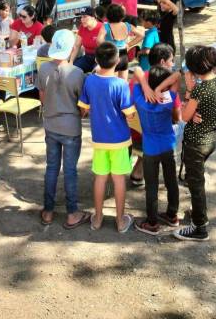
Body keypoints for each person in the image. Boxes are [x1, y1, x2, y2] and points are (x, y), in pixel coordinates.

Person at [78, 42, 137, 233]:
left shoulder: (90, 81)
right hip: (119, 139)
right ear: (118, 61)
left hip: (99, 138)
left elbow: (83, 109)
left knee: (100, 178)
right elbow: (129, 114)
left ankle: (97, 218)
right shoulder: (120, 84)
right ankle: (120, 221)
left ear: (96, 60)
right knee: (119, 179)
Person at [36, 30, 90, 229]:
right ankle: (72, 212)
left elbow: (42, 97)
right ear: (70, 49)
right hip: (71, 127)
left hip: (50, 124)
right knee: (70, 170)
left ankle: (48, 211)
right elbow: (82, 107)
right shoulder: (77, 73)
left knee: (51, 168)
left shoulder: (43, 69)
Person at [174, 46, 216, 242]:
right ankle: (198, 212)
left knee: (196, 183)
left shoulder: (199, 89)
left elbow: (185, 116)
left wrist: (188, 91)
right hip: (211, 138)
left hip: (196, 143)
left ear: (193, 69)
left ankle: (199, 227)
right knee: (196, 179)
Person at [133, 66, 181, 235]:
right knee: (171, 181)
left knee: (151, 186)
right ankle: (172, 215)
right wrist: (161, 89)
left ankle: (152, 222)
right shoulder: (167, 98)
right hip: (168, 146)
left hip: (150, 149)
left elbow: (137, 70)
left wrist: (148, 87)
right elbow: (177, 76)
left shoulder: (139, 96)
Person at [98, 4, 144, 81]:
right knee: (124, 80)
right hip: (123, 54)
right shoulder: (127, 25)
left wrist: (106, 49)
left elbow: (99, 40)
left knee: (112, 80)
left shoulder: (106, 26)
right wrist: (129, 44)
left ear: (108, 16)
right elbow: (141, 35)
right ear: (122, 16)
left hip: (111, 55)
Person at [69, 6, 104, 72]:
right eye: (81, 17)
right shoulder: (82, 27)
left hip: (100, 58)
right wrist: (71, 61)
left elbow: (107, 50)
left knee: (96, 73)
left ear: (93, 17)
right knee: (72, 70)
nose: (82, 19)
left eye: (85, 17)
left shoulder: (102, 27)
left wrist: (100, 63)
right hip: (87, 57)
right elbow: (77, 46)